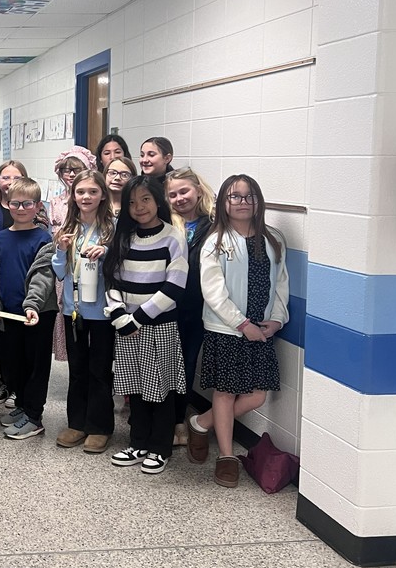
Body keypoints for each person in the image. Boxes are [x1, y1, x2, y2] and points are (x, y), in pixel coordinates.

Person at [187, 175, 289, 488]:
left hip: (262, 329)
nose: (243, 202)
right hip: (227, 329)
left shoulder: (273, 238)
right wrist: (242, 324)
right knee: (225, 392)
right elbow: (213, 292)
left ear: (258, 201)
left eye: (249, 196)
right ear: (223, 202)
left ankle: (201, 423)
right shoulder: (216, 241)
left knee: (257, 396)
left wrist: (277, 319)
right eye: (235, 196)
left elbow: (281, 282)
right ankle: (227, 456)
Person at [103, 176, 188, 475]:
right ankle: (138, 442)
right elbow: (112, 279)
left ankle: (160, 448)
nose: (139, 207)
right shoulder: (124, 237)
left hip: (158, 325)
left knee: (161, 389)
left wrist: (139, 317)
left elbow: (175, 285)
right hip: (127, 327)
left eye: (145, 199)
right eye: (132, 202)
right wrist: (118, 315)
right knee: (135, 387)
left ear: (158, 201)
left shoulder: (173, 237)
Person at [0, 178, 57, 440]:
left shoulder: (44, 238)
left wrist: (32, 304)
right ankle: (23, 406)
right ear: (7, 204)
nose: (21, 208)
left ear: (37, 206)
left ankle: (34, 417)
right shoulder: (1, 238)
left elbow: (43, 276)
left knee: (36, 367)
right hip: (9, 315)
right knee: (15, 364)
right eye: (15, 203)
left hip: (37, 315)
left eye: (27, 203)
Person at [52, 170, 116, 453]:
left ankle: (100, 427)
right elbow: (59, 272)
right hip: (73, 310)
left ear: (102, 195)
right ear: (73, 195)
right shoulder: (69, 228)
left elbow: (121, 266)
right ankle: (77, 423)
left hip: (102, 312)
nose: (86, 197)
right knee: (77, 369)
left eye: (92, 191)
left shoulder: (112, 229)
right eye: (80, 192)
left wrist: (106, 252)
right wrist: (60, 250)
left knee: (99, 370)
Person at [165, 168, 217, 445]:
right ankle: (161, 419)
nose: (179, 198)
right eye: (172, 194)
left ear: (198, 189)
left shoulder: (215, 224)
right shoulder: (166, 224)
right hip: (165, 306)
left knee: (186, 364)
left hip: (197, 308)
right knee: (164, 363)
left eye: (184, 191)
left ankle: (178, 419)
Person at [49, 147, 98, 367]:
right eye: (65, 170)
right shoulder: (55, 202)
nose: (70, 174)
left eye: (76, 169)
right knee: (68, 319)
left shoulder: (96, 208)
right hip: (66, 266)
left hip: (92, 272)